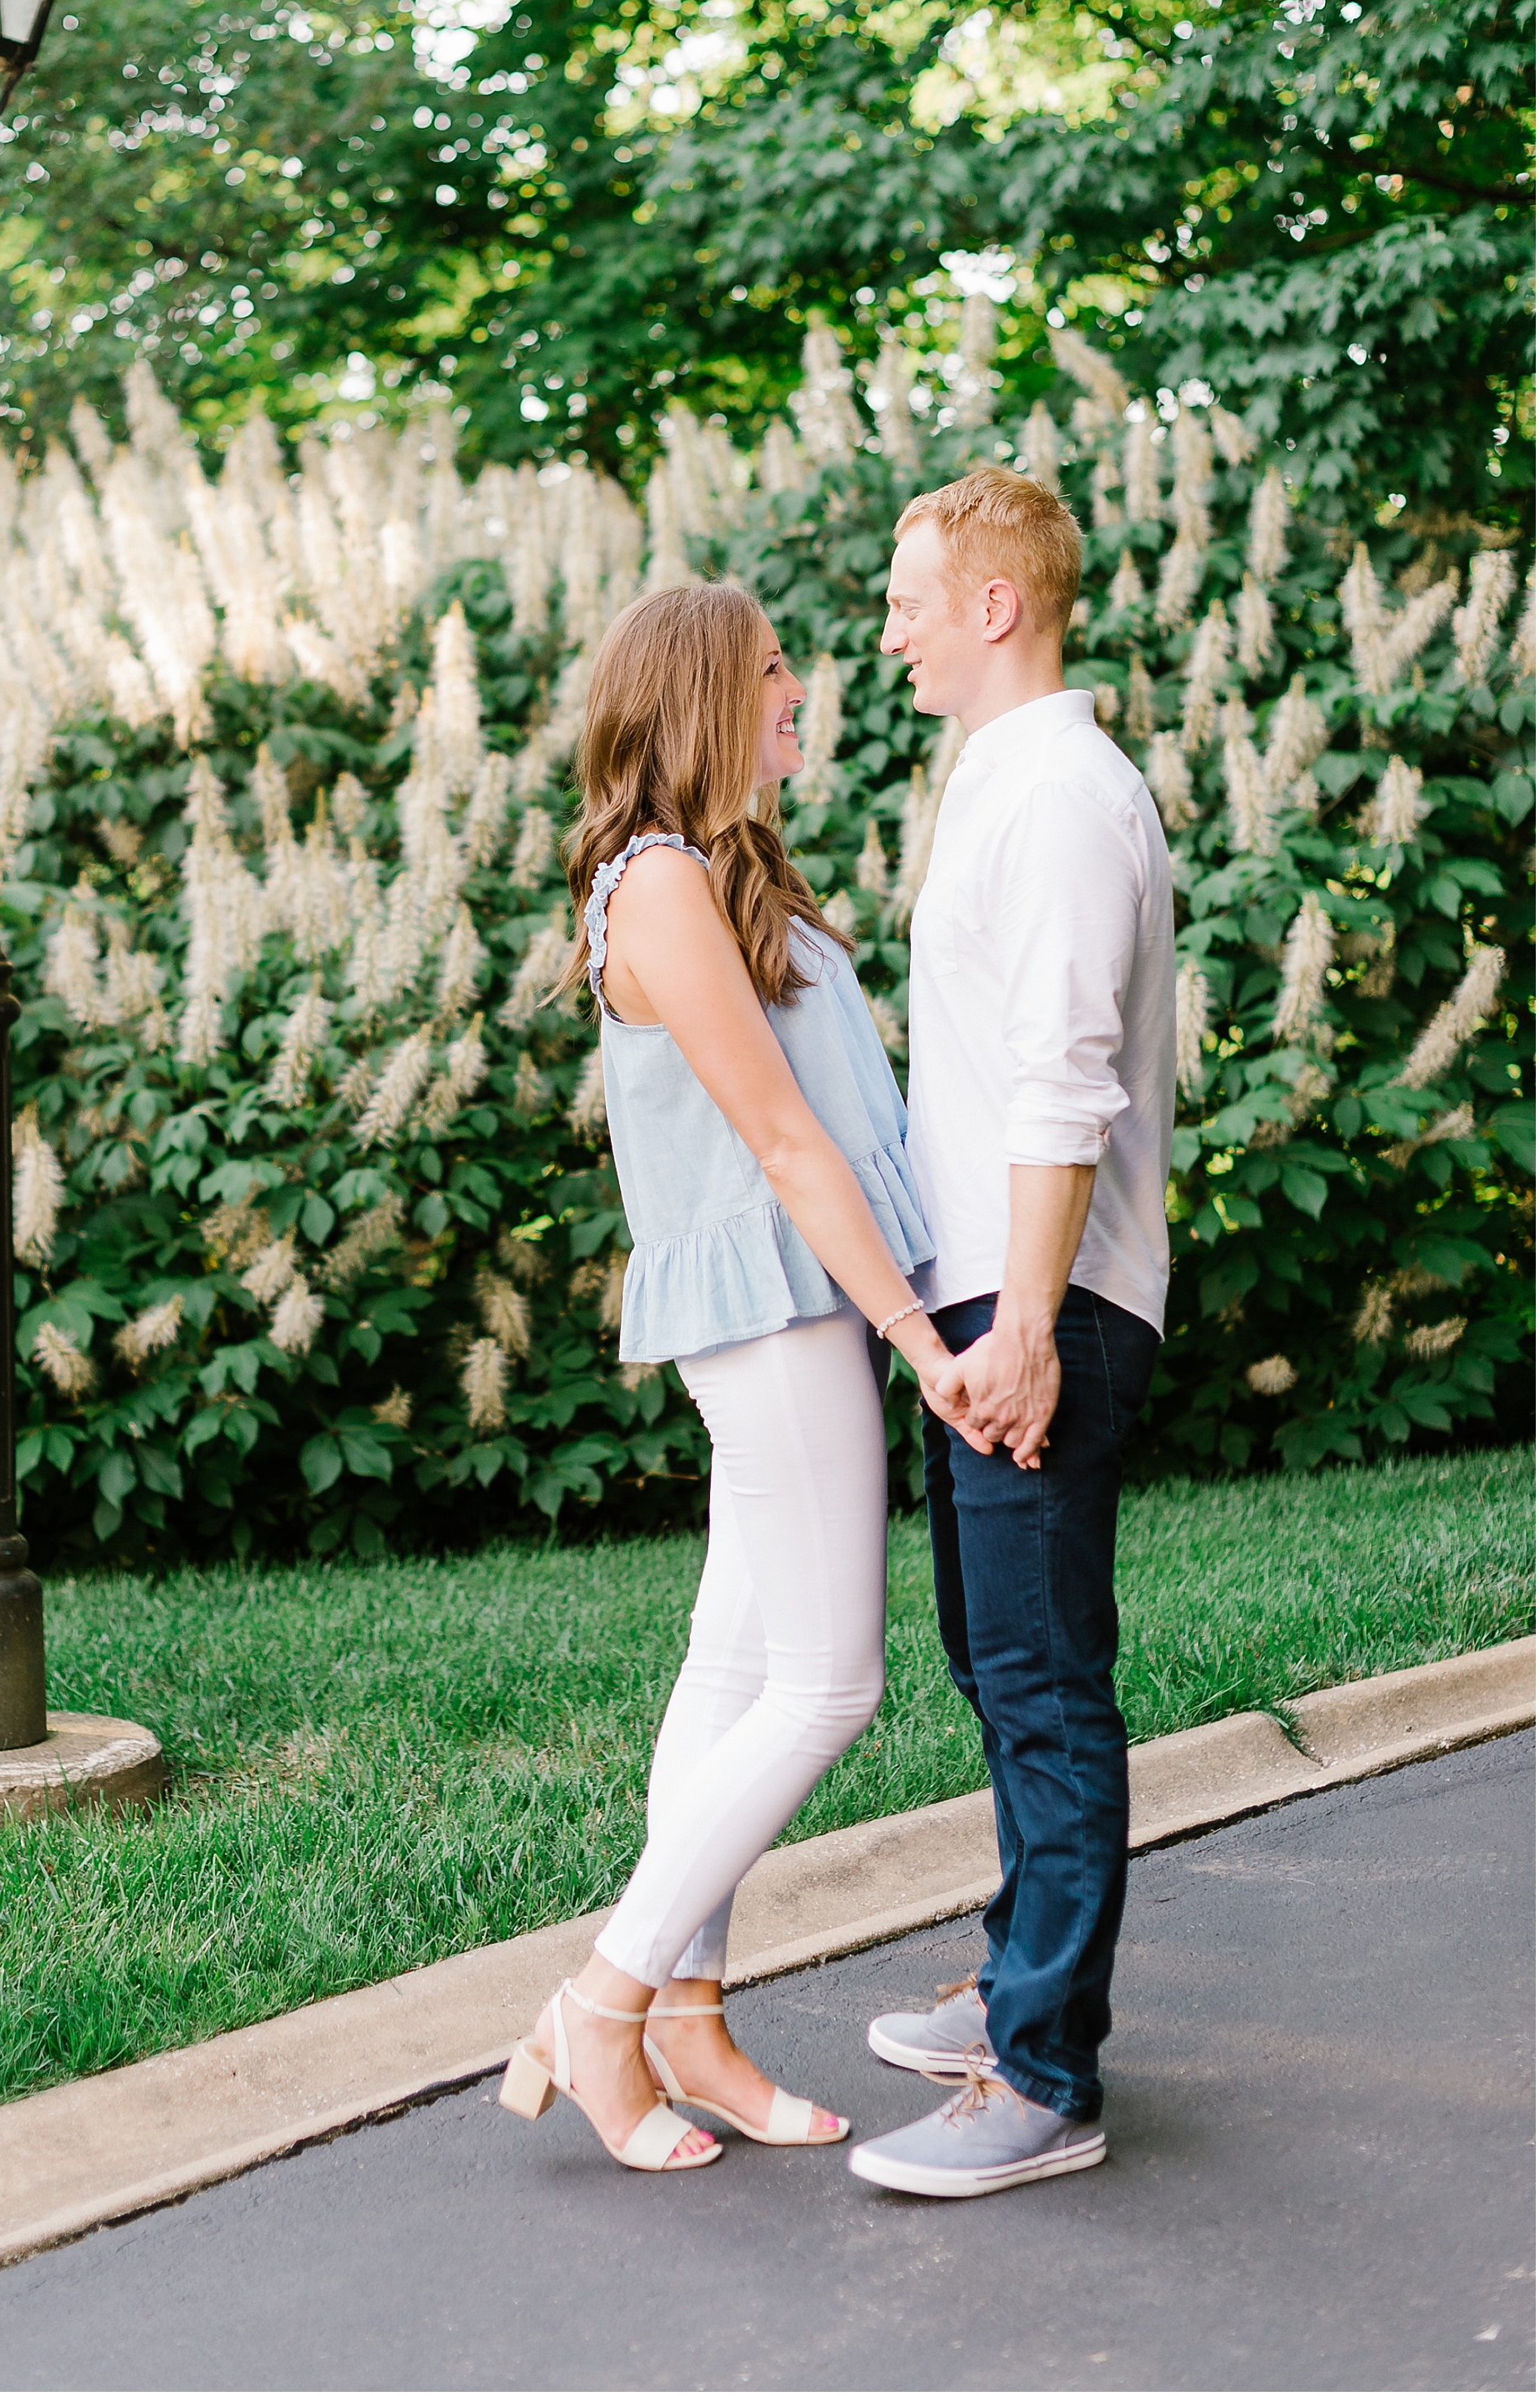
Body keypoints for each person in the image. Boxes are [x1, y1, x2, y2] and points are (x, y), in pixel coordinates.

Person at [499, 580, 972, 2177]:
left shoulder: (725, 876)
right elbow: (783, 1141)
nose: (801, 691)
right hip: (775, 1320)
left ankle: (685, 2017)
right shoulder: (652, 894)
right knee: (831, 1684)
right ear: (704, 696)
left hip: (788, 1311)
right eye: (774, 671)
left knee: (731, 1661)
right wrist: (919, 1336)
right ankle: (603, 1995)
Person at [848, 465, 1175, 2203]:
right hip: (986, 1293)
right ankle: (1011, 1988)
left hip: (1034, 1300)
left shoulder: (1056, 788)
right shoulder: (1003, 777)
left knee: (1045, 1686)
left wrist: (1029, 1322)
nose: (889, 626)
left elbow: (1065, 1071)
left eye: (912, 594)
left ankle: (1043, 2072)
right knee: (1000, 1663)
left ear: (994, 604)